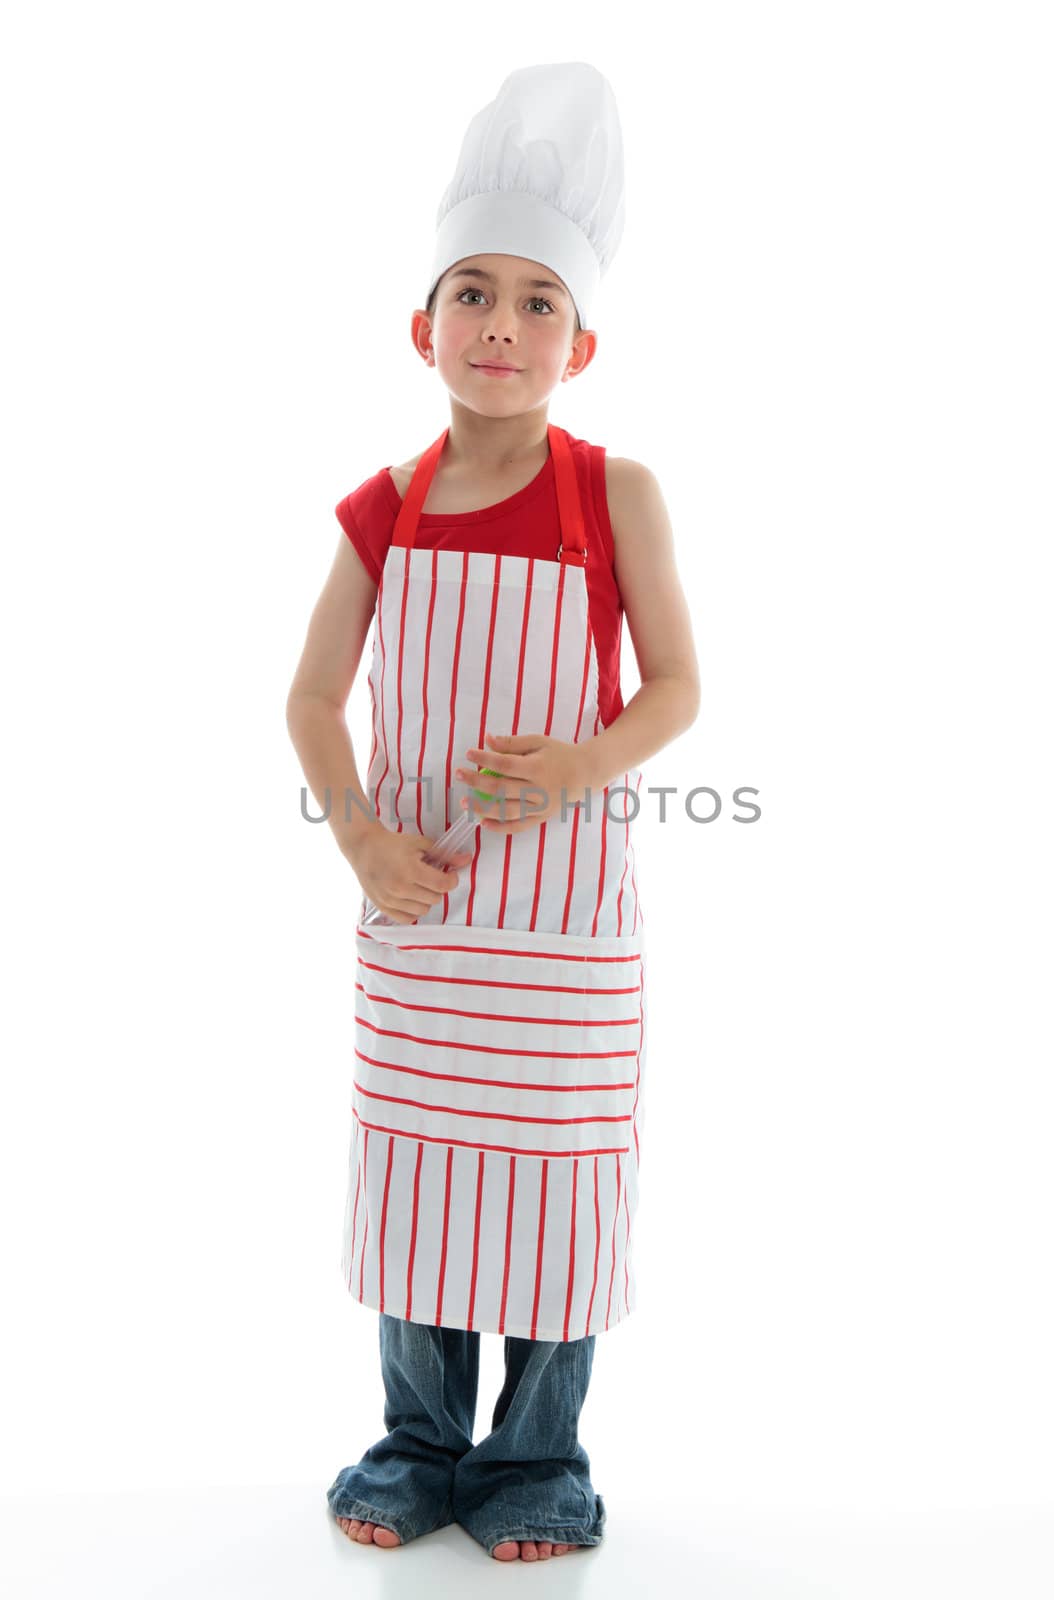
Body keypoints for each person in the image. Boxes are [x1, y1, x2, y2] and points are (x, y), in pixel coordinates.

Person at [286, 62, 700, 1563]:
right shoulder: (384, 506)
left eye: (537, 302)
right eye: (474, 294)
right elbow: (312, 702)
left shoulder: (614, 494)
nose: (502, 328)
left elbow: (674, 692)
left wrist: (587, 764)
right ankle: (416, 1438)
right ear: (422, 326)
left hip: (563, 927)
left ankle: (536, 1457)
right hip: (419, 908)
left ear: (581, 343)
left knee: (553, 1189)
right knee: (417, 1177)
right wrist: (362, 841)